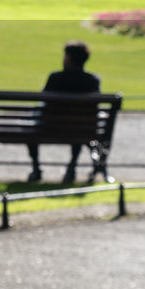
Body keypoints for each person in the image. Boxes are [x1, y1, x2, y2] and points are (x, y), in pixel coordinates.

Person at [27, 40, 101, 184]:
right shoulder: (92, 80)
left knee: (30, 125)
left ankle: (36, 168)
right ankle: (72, 166)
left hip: (51, 127)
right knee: (78, 124)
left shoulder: (55, 78)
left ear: (68, 58)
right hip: (82, 129)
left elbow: (43, 102)